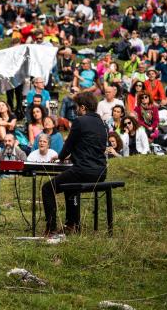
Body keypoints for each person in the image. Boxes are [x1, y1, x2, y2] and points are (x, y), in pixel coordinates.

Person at [42, 92, 107, 236]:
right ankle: (72, 225)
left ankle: (51, 229)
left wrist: (60, 157)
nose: (76, 110)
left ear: (83, 107)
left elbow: (68, 146)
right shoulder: (101, 123)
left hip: (84, 170)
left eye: (77, 107)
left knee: (47, 188)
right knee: (70, 186)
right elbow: (90, 146)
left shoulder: (80, 121)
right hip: (101, 171)